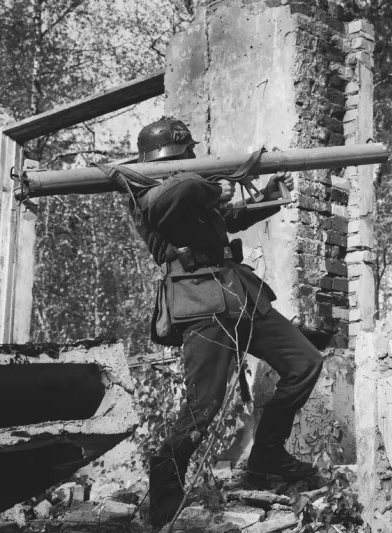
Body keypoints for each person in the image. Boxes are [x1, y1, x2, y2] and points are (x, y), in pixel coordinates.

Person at [128, 117, 323, 527]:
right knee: (204, 408)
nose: (192, 159)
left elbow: (227, 220)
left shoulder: (192, 187)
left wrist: (269, 194)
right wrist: (216, 182)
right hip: (199, 304)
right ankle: (164, 489)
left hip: (239, 295)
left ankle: (267, 454)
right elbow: (178, 193)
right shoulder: (145, 191)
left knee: (304, 362)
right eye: (187, 155)